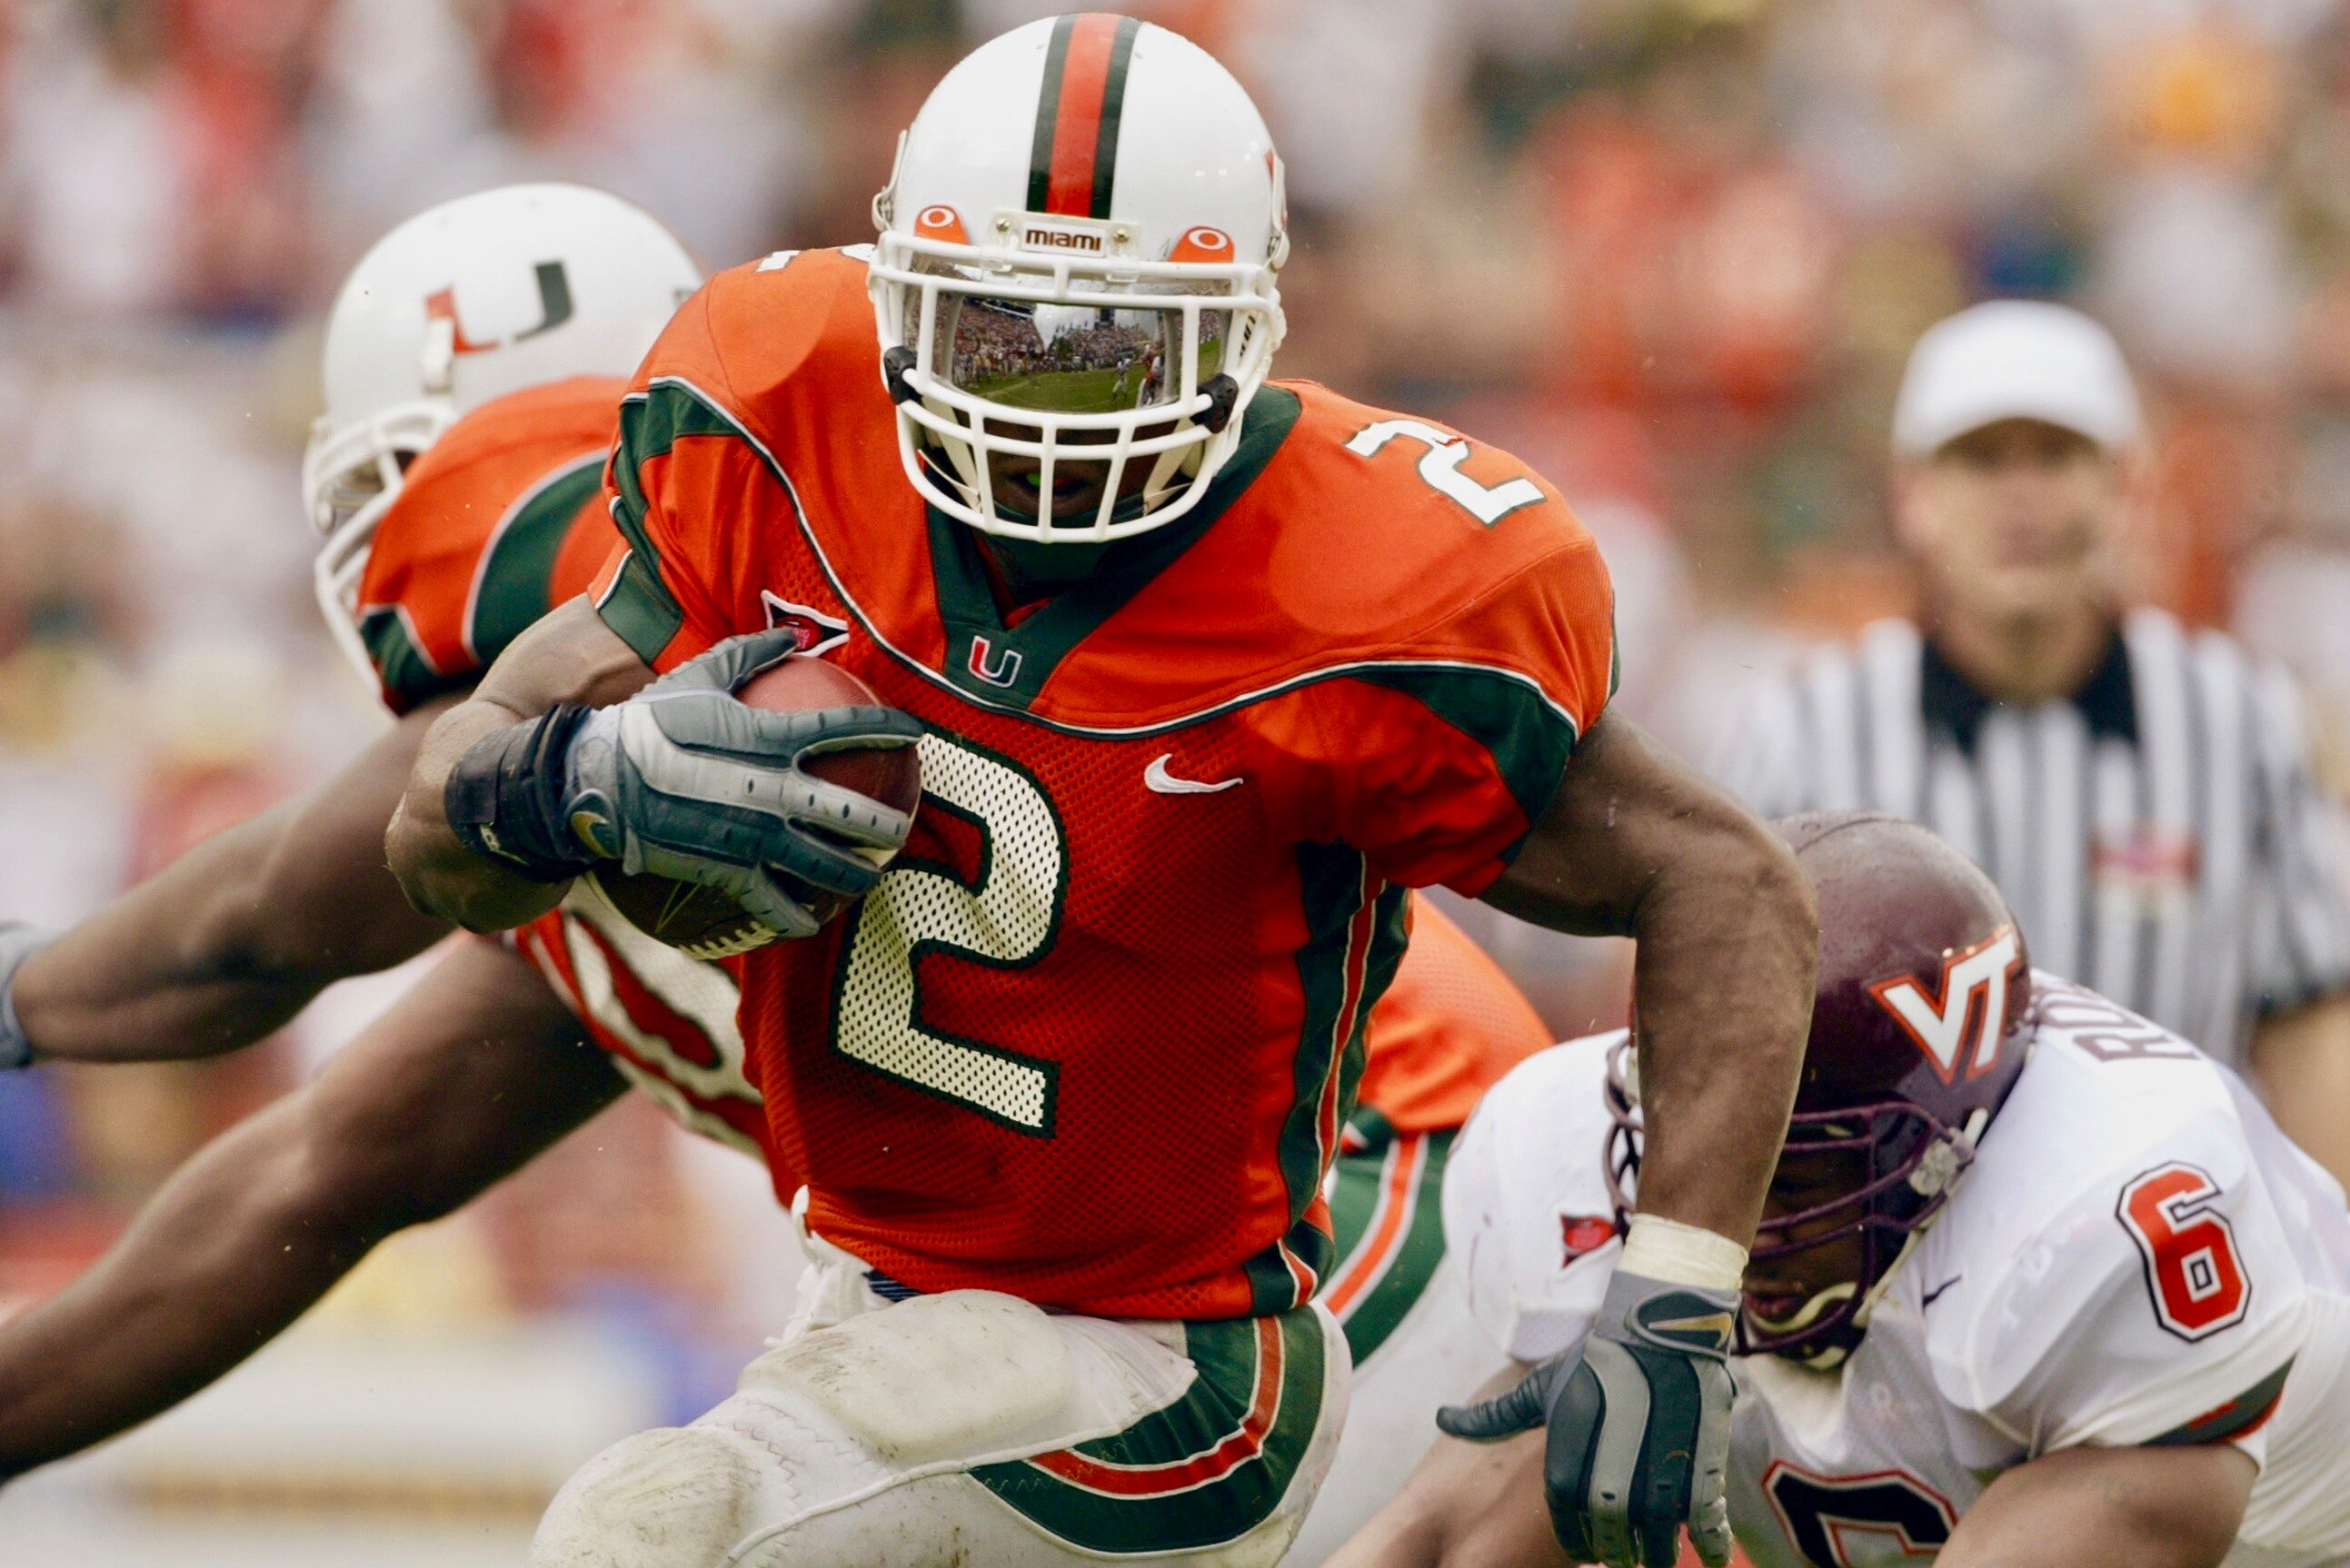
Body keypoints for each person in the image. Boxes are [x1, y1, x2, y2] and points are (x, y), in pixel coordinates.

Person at [384, 16, 1818, 1567]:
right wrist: (563, 783)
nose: (1049, 402)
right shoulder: (774, 406)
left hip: (1170, 1369)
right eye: (1000, 331)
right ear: (896, 297)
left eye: (1115, 342)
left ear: (1247, 331)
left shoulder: (1369, 578)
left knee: (648, 1529)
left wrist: (1672, 1292)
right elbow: (432, 824)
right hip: (879, 1297)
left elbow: (1726, 880)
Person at [0, 182, 1553, 1484]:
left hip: (1314, 1219)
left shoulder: (622, 581)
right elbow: (305, 1183)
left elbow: (267, 922)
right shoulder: (630, 825)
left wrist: (23, 985)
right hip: (1326, 1245)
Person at [1329, 811, 2350, 1568]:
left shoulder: (2102, 1213)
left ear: (1951, 1145)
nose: (1737, 1221)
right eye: (1704, 1147)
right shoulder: (1572, 1140)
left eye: (1800, 1171)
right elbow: (1441, 1539)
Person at [1715, 300, 2350, 1185]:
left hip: (2165, 1237)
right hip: (1886, 1239)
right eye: (1981, 459)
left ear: (2123, 484)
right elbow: (1727, 1019)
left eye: (2055, 456)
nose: (2021, 494)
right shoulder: (1809, 728)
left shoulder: (2239, 717)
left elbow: (2309, 1025)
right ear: (1914, 496)